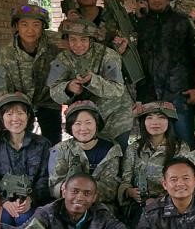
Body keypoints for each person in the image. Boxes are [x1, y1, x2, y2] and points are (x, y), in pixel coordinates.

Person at [47, 18, 134, 148]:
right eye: (73, 39)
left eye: (83, 40)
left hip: (116, 114)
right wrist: (68, 88)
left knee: (117, 151)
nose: (78, 45)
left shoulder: (108, 55)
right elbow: (53, 90)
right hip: (86, 118)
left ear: (91, 40)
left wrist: (91, 81)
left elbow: (117, 89)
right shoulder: (62, 59)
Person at [140, 0, 195, 146]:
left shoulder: (183, 22)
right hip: (150, 94)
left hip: (180, 94)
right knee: (152, 145)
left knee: (185, 144)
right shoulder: (140, 25)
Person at [0, 4, 63, 144]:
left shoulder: (54, 46)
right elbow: (0, 90)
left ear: (43, 27)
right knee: (17, 143)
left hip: (48, 102)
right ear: (16, 27)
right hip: (17, 103)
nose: (30, 30)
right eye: (24, 24)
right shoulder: (5, 54)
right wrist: (12, 105)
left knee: (53, 144)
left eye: (36, 25)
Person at [118, 101, 190, 229]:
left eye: (161, 117)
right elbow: (125, 180)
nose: (155, 122)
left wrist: (159, 201)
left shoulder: (180, 148)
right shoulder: (134, 148)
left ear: (169, 122)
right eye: (149, 118)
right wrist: (129, 191)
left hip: (170, 205)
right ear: (143, 122)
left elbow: (184, 183)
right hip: (139, 206)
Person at [0, 93, 51, 226]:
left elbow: (45, 178)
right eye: (9, 114)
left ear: (28, 116)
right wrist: (4, 202)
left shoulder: (42, 144)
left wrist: (30, 199)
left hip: (34, 202)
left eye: (20, 113)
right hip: (3, 202)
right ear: (1, 117)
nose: (15, 118)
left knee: (25, 219)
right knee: (3, 218)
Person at [47, 101, 122, 204]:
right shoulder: (60, 150)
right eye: (77, 124)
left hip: (100, 205)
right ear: (70, 127)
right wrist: (62, 188)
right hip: (67, 204)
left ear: (97, 124)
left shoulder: (111, 149)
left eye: (88, 123)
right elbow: (53, 185)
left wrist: (83, 188)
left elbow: (112, 188)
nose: (83, 128)